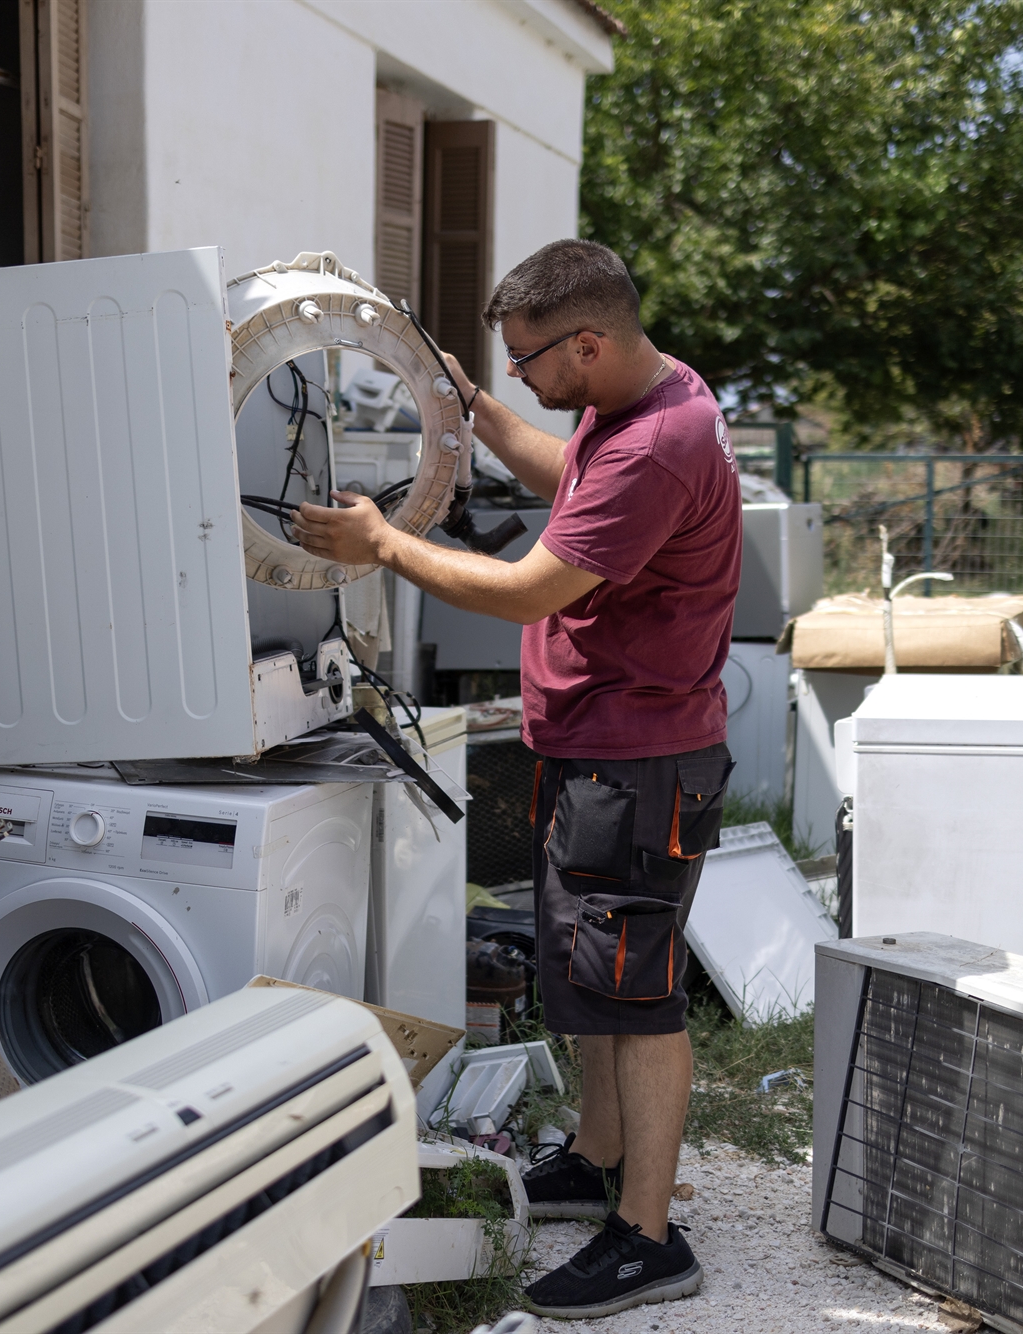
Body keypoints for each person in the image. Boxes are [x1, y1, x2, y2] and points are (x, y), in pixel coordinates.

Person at [291, 239, 742, 1320]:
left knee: (636, 996)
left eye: (529, 360)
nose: (523, 376)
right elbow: (571, 478)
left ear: (588, 341)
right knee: (587, 972)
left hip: (637, 762)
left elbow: (526, 591)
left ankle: (645, 1237)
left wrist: (382, 546)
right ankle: (593, 1160)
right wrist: (484, 417)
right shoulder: (645, 394)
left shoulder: (657, 445)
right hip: (598, 749)